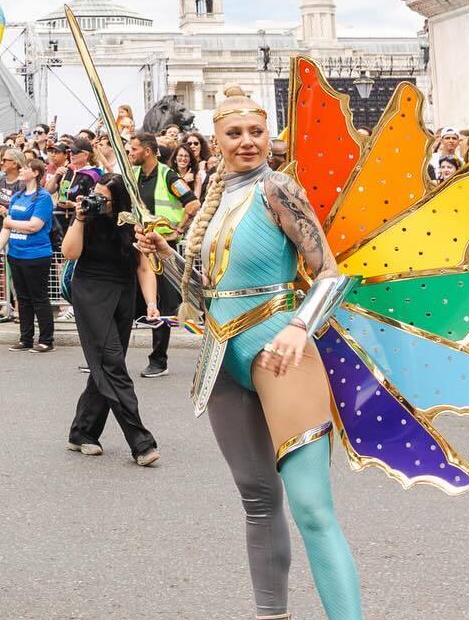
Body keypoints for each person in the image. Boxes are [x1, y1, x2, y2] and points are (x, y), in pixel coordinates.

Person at [139, 86, 362, 620]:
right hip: (222, 360)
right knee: (259, 503)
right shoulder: (214, 207)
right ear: (215, 142)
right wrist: (167, 256)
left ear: (269, 137)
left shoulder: (278, 188)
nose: (247, 142)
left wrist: (301, 327)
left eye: (256, 132)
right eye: (234, 134)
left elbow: (332, 274)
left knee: (311, 509)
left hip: (280, 351)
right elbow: (206, 300)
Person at [61, 172, 160, 466]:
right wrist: (80, 218)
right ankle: (140, 441)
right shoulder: (86, 217)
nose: (97, 199)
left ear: (117, 201)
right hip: (91, 292)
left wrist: (152, 303)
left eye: (104, 197)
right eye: (96, 193)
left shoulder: (131, 222)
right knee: (113, 364)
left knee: (104, 366)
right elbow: (70, 253)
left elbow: (143, 268)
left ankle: (82, 431)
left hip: (123, 294)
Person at [126, 131, 199, 379]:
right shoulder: (132, 175)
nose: (130, 153)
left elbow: (193, 204)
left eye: (134, 149)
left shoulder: (169, 176)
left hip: (162, 249)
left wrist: (179, 228)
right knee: (129, 300)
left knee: (161, 306)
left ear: (147, 151)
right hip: (137, 245)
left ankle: (159, 359)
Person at [0, 156, 55, 351]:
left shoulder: (43, 197)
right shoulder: (17, 196)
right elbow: (7, 229)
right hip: (16, 254)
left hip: (36, 254)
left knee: (39, 298)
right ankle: (25, 338)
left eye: (26, 168)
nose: (21, 170)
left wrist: (9, 222)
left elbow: (35, 225)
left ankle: (46, 339)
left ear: (35, 173)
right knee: (23, 298)